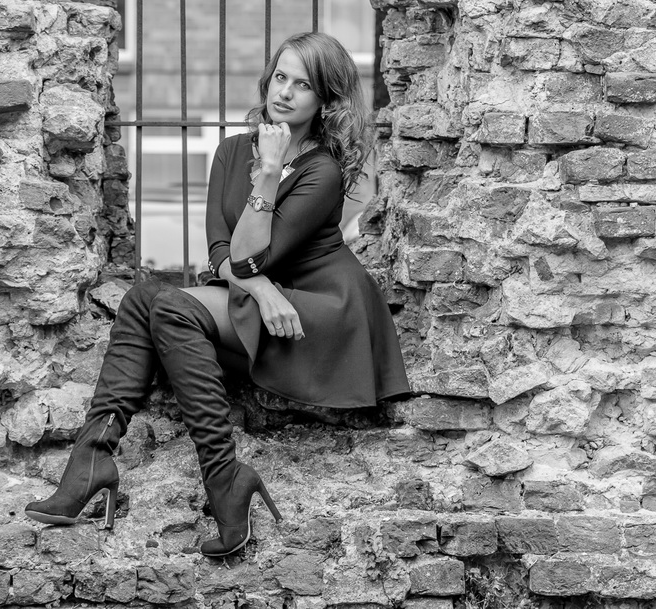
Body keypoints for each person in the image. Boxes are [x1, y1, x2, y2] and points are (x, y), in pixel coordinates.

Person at [25, 32, 411, 557]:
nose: (285, 93)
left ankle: (220, 477)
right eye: (280, 77)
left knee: (171, 307)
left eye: (303, 85)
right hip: (268, 298)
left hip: (318, 309)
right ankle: (94, 461)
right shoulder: (231, 150)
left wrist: (270, 173)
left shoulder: (321, 170)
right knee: (143, 298)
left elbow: (252, 256)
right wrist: (259, 289)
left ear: (325, 100)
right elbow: (219, 252)